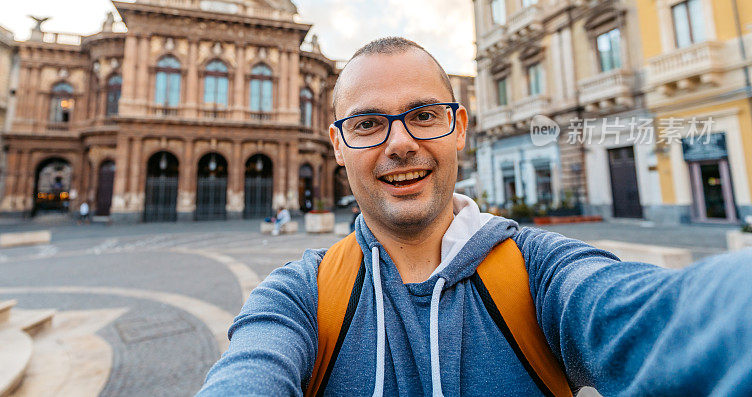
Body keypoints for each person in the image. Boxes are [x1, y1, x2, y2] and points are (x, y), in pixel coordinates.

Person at [199, 37, 752, 396]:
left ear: (460, 127)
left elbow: (662, 318)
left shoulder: (540, 272)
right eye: (368, 124)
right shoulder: (298, 296)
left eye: (423, 115)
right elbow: (251, 371)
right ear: (338, 145)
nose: (400, 144)